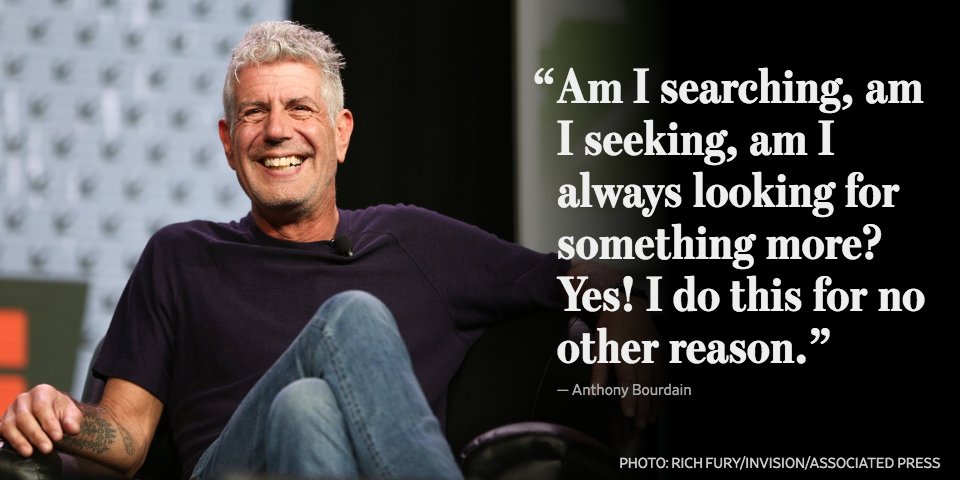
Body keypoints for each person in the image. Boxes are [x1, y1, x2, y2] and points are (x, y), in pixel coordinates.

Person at [0, 21, 659, 480]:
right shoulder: (182, 255)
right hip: (232, 472)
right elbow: (125, 438)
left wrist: (624, 309)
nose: (276, 130)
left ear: (341, 134)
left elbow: (576, 276)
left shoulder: (414, 241)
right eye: (254, 113)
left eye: (299, 109)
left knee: (305, 408)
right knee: (353, 316)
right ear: (228, 142)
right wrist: (60, 417)